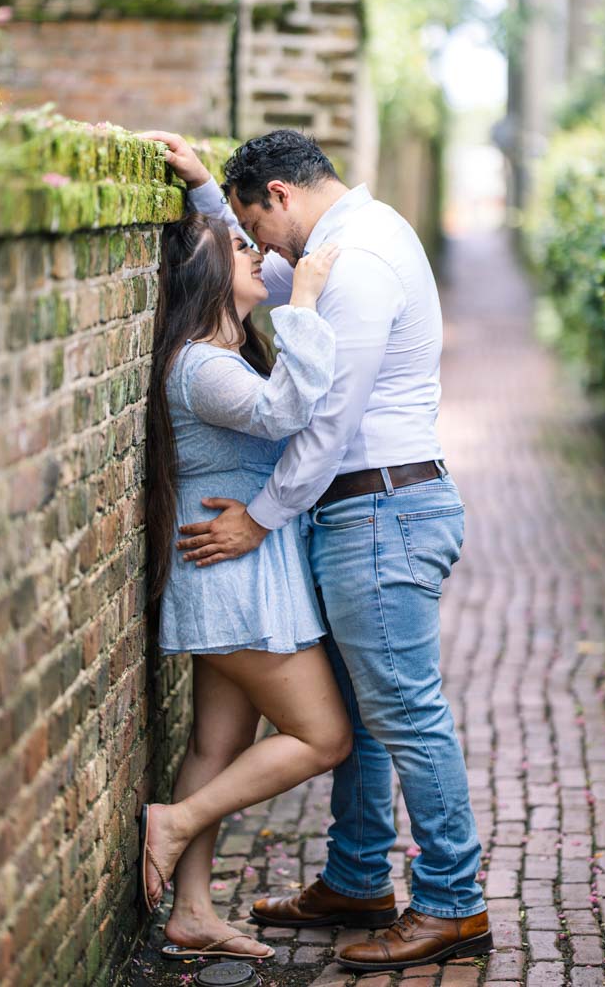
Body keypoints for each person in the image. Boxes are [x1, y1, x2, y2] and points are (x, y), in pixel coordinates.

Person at [140, 127, 491, 972]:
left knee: (402, 712)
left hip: (382, 511)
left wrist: (259, 517)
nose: (256, 248)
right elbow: (250, 273)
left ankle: (452, 902)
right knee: (367, 715)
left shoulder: (357, 260)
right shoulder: (330, 244)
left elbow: (325, 421)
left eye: (256, 226)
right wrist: (204, 191)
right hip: (362, 514)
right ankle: (356, 878)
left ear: (283, 197)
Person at [137, 207, 351, 961]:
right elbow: (289, 409)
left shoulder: (220, 356)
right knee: (324, 736)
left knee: (217, 743)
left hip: (238, 573)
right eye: (237, 245)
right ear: (205, 276)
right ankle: (177, 821)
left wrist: (202, 181)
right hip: (236, 583)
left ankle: (191, 913)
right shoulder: (201, 366)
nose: (256, 250)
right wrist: (304, 308)